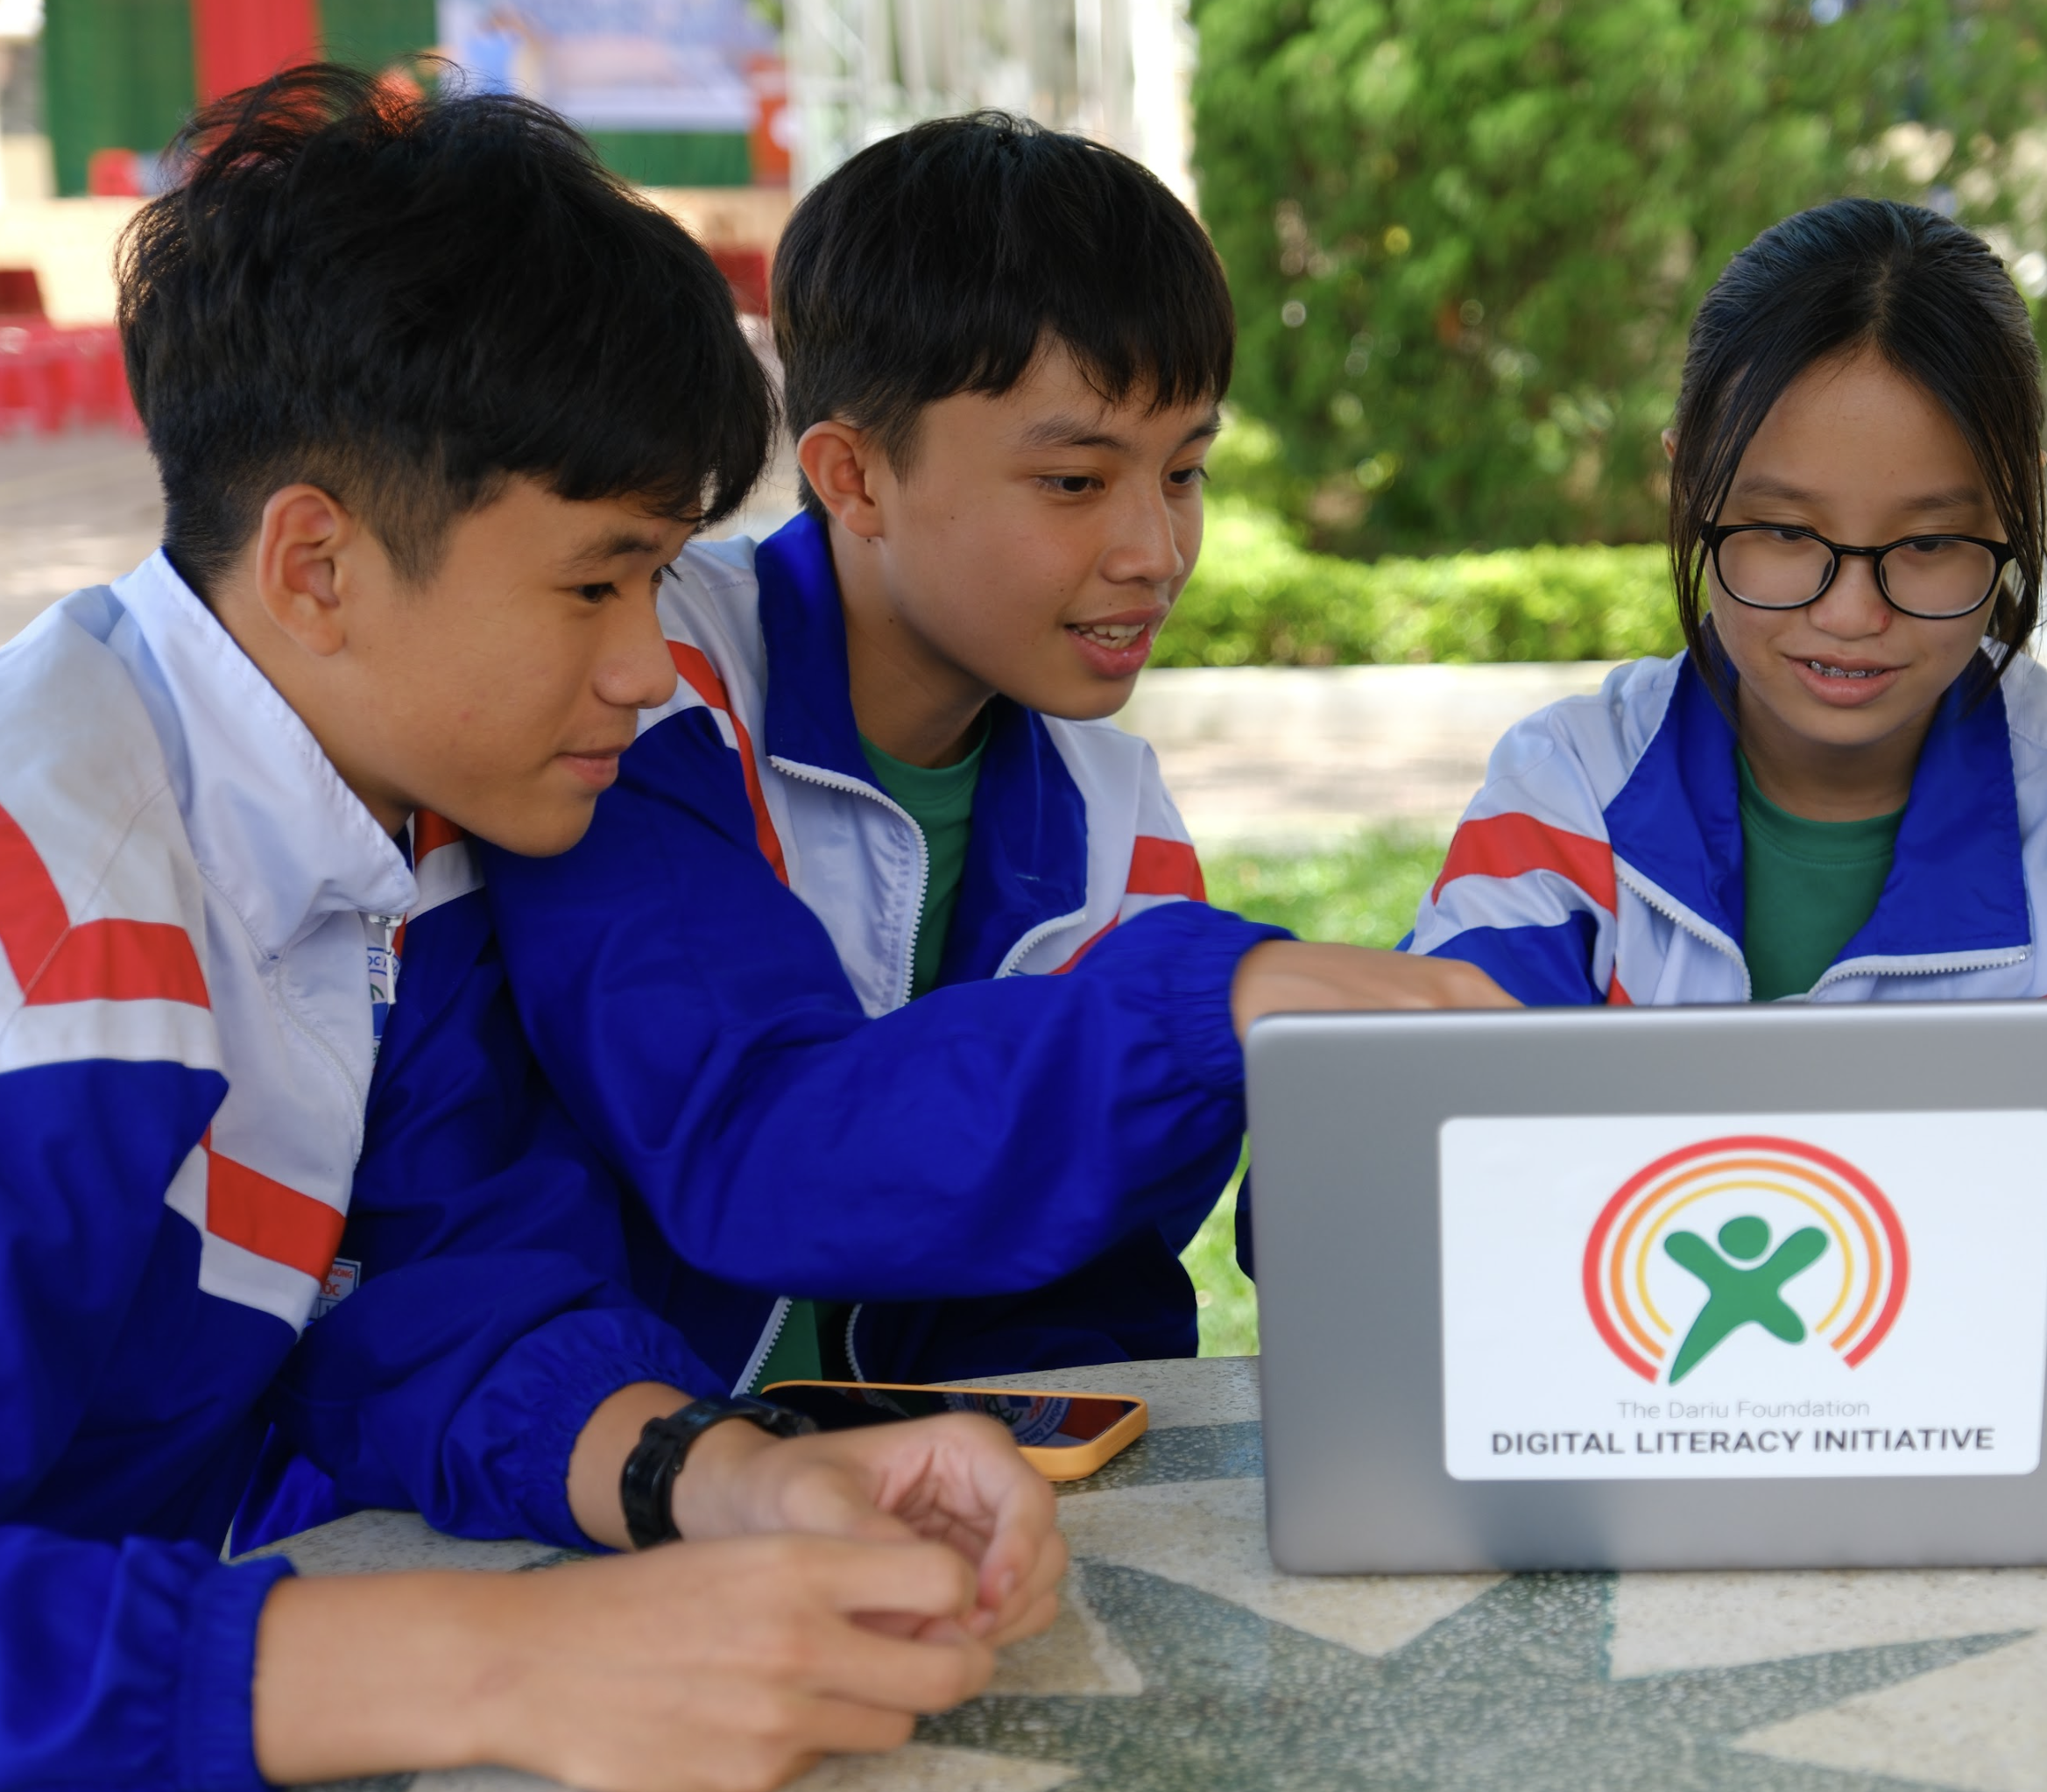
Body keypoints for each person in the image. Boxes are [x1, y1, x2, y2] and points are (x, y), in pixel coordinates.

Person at [0, 68, 1067, 1791]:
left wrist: (720, 1475)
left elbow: (425, 1309)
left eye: (660, 581)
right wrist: (500, 1665)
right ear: (316, 566)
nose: (650, 667)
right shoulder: (52, 930)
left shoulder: (380, 813)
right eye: (595, 579)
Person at [474, 112, 1510, 1395]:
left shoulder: (1118, 825)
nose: (1155, 548)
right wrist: (1200, 1009)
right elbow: (753, 1148)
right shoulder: (642, 698)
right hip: (569, 1505)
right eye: (1076, 482)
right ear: (851, 478)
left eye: (1183, 471)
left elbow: (1075, 1282)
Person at [1407, 198, 2047, 1012]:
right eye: (1787, 532)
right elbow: (1444, 1119)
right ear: (1688, 484)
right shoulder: (1565, 797)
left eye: (1928, 544)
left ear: (2017, 505)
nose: (1853, 615)